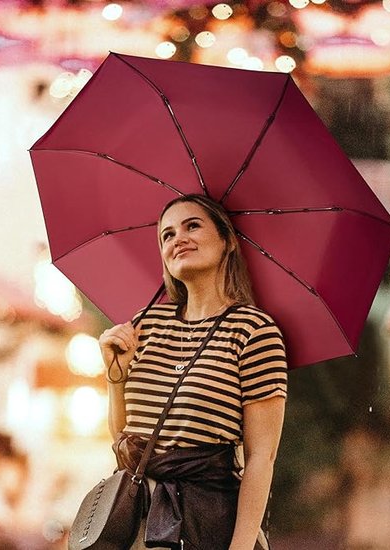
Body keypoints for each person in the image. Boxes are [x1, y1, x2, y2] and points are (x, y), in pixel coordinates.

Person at [99, 194, 287, 550]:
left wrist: (241, 547)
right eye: (166, 235)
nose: (178, 239)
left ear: (227, 241)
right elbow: (125, 441)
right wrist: (115, 376)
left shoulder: (253, 330)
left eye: (192, 226)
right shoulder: (144, 325)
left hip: (209, 522)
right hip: (137, 521)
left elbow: (262, 456)